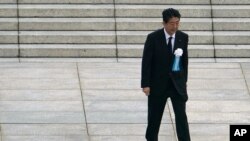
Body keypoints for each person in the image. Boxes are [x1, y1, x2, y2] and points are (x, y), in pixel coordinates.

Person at [141, 8, 191, 141]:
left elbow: (184, 61)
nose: (175, 26)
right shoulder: (153, 38)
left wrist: (184, 80)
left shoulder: (183, 37)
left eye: (177, 23)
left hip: (177, 85)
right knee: (154, 118)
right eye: (171, 23)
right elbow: (146, 63)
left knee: (181, 117)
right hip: (158, 85)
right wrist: (145, 84)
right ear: (164, 23)